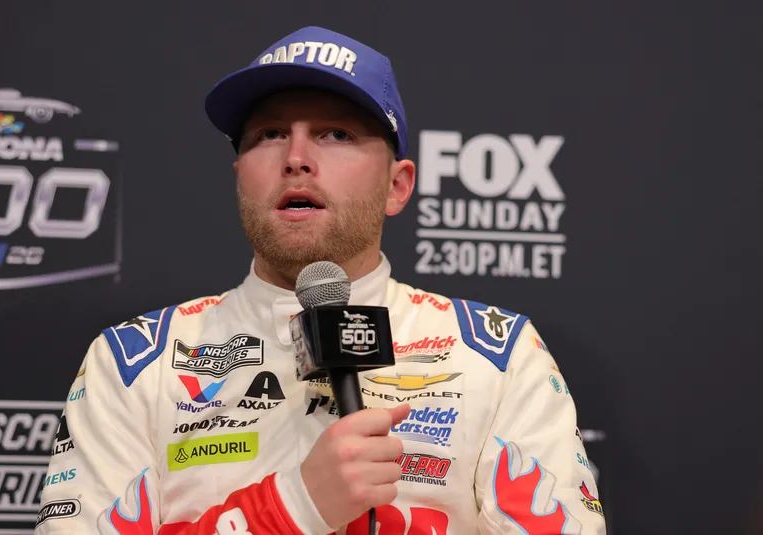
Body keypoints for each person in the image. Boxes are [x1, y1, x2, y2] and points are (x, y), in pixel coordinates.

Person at [35, 26, 606, 535]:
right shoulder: (136, 363)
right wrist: (290, 508)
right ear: (240, 177)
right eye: (269, 135)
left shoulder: (498, 355)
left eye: (336, 134)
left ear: (397, 186)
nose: (297, 157)